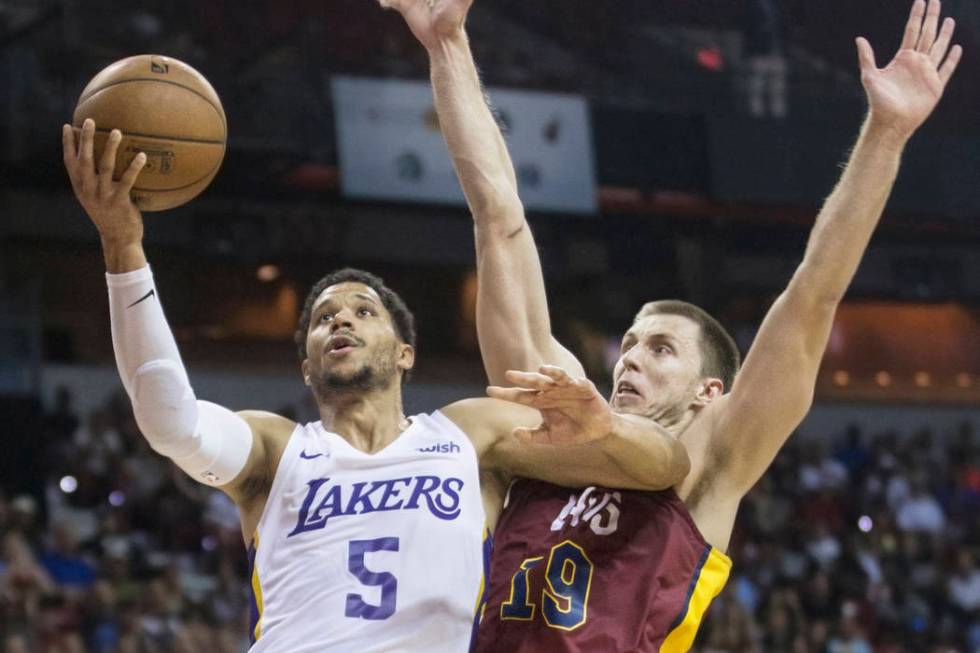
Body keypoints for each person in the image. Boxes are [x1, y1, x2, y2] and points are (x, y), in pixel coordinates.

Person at [382, 0, 962, 650]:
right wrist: (447, 46)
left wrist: (885, 134)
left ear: (707, 392)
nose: (630, 358)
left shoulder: (715, 460)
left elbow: (814, 293)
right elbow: (498, 216)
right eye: (628, 344)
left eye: (660, 348)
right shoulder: (556, 426)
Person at [60, 119, 691, 652]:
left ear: (405, 354)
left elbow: (662, 467)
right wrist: (124, 247)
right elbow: (170, 422)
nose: (340, 318)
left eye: (364, 311)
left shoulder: (470, 435)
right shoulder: (276, 451)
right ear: (307, 367)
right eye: (322, 317)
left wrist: (605, 428)